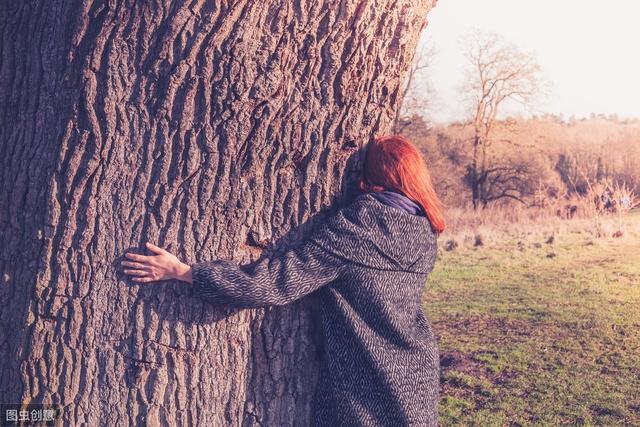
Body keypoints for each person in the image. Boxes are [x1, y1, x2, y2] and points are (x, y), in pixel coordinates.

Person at [121, 135, 446, 426]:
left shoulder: (357, 231)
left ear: (369, 177)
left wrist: (184, 272)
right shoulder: (424, 231)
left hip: (366, 389)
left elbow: (273, 284)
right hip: (417, 377)